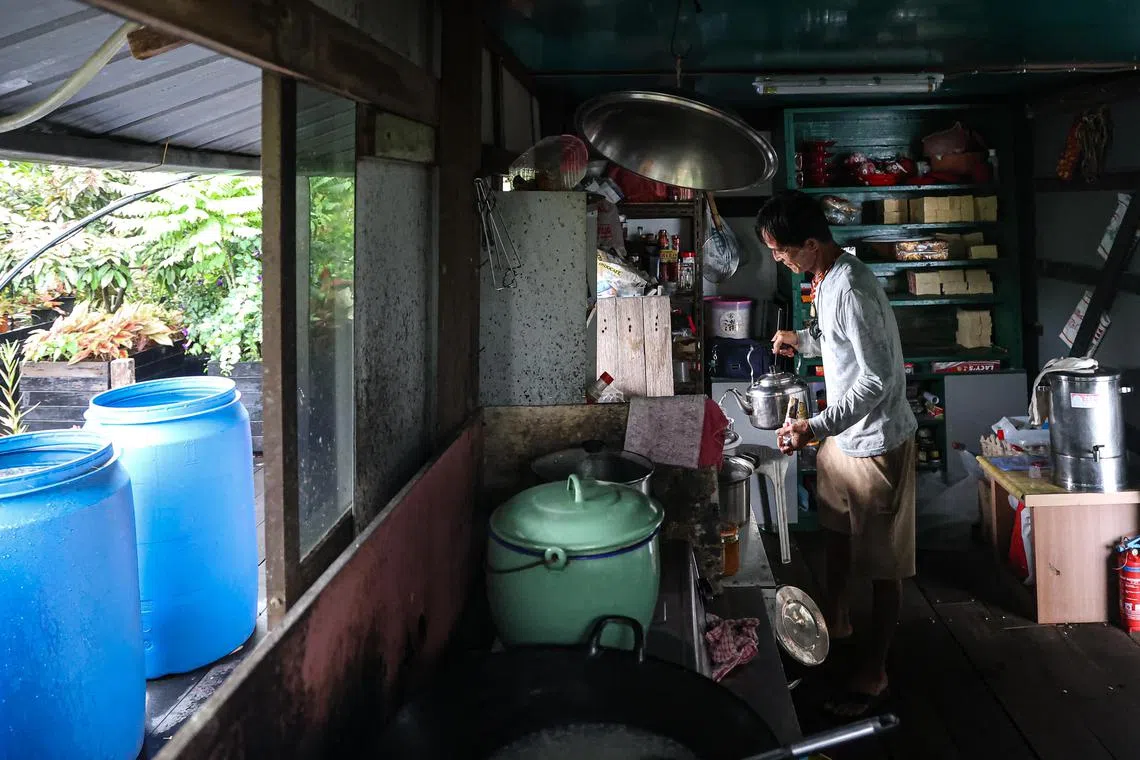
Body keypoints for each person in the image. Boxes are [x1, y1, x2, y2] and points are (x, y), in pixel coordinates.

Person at [756, 190, 917, 719]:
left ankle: (875, 672)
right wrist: (800, 340)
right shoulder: (824, 278)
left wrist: (815, 426)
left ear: (809, 242)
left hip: (875, 443)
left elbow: (876, 377)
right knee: (836, 534)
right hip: (841, 441)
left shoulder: (850, 287)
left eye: (782, 252)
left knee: (884, 564)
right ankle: (837, 621)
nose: (780, 260)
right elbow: (835, 342)